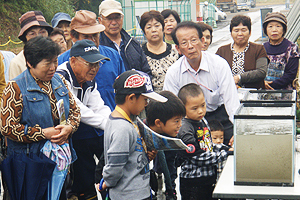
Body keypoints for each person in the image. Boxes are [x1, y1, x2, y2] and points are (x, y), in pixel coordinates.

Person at [0, 36, 81, 198]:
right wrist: (43, 133)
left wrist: (69, 127)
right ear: (30, 63)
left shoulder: (60, 81)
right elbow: (7, 128)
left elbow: (75, 111)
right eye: (47, 63)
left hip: (59, 163)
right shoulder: (15, 88)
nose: (53, 68)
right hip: (30, 165)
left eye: (55, 61)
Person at [163, 21, 240, 146]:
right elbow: (171, 109)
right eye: (184, 43)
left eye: (194, 40)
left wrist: (237, 132)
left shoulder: (219, 65)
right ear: (178, 48)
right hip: (189, 121)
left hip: (219, 117)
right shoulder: (173, 72)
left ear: (202, 41)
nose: (190, 46)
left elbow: (232, 102)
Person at [97, 70, 166, 200]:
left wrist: (145, 156)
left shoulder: (129, 119)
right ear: (131, 98)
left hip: (138, 191)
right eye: (145, 99)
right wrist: (106, 183)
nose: (146, 104)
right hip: (129, 194)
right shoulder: (122, 128)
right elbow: (115, 166)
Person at [57, 39, 111, 199]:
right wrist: (110, 125)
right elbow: (79, 109)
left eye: (97, 64)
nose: (95, 68)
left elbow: (98, 106)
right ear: (73, 60)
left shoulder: (87, 79)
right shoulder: (60, 78)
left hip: (77, 134)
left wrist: (115, 124)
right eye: (90, 63)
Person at [58, 10, 125, 110]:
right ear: (74, 37)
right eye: (86, 36)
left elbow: (123, 90)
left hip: (109, 119)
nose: (92, 40)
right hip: (77, 122)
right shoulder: (62, 60)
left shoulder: (112, 56)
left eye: (95, 35)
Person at [177, 83, 228, 200]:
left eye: (203, 105)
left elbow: (208, 145)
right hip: (193, 183)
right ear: (183, 108)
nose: (200, 111)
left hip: (208, 179)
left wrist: (224, 148)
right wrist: (225, 154)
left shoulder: (202, 121)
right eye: (194, 108)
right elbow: (197, 158)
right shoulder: (185, 128)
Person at [146, 90, 186, 200]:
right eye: (176, 121)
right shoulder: (139, 133)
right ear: (158, 123)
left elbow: (171, 166)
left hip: (166, 186)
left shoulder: (171, 137)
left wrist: (171, 189)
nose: (180, 125)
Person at [98, 0, 152, 76]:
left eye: (117, 18)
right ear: (100, 20)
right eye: (109, 18)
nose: (114, 23)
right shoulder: (97, 47)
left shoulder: (133, 44)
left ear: (122, 18)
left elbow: (146, 72)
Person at [216, 15, 268, 89]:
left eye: (244, 30)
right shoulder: (222, 51)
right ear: (231, 33)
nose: (240, 34)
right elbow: (215, 73)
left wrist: (239, 78)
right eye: (236, 30)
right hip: (228, 94)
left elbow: (261, 72)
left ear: (250, 33)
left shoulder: (259, 49)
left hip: (252, 96)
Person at [140, 10, 179, 92]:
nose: (153, 30)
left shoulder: (175, 51)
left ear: (163, 27)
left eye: (157, 26)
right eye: (149, 27)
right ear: (144, 31)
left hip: (173, 99)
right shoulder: (139, 53)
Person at [9, 11, 53, 80]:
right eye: (32, 34)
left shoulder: (54, 56)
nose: (38, 36)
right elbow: (14, 88)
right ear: (25, 38)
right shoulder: (17, 63)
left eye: (42, 32)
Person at [263, 12, 300, 90]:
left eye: (278, 26)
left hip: (285, 94)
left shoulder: (292, 48)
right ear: (265, 30)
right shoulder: (261, 48)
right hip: (264, 93)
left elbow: (291, 74)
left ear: (284, 29)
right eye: (270, 26)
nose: (274, 30)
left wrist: (271, 85)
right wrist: (262, 84)